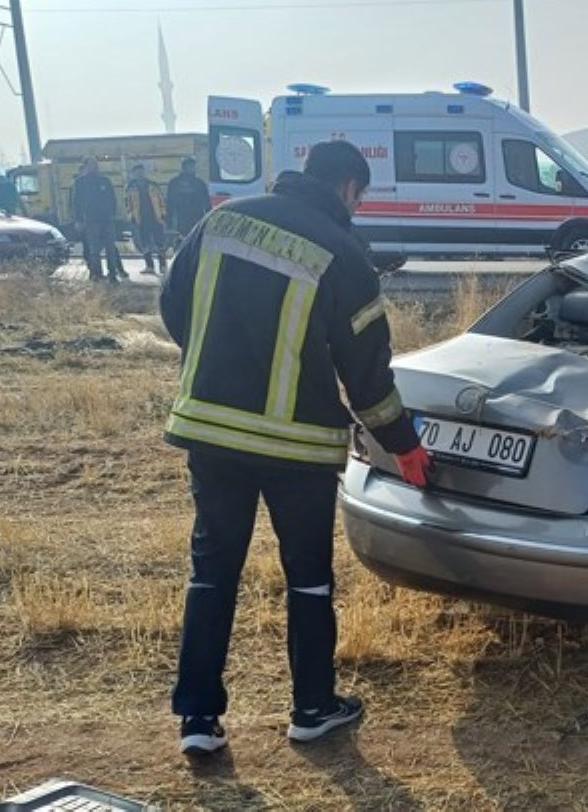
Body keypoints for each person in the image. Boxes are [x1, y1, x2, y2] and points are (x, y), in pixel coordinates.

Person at [160, 140, 431, 756]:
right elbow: (368, 376)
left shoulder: (221, 219)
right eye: (360, 199)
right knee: (308, 579)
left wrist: (216, 366)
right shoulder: (345, 255)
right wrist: (404, 446)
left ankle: (197, 722)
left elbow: (175, 304)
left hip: (212, 430)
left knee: (212, 574)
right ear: (348, 189)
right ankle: (312, 708)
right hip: (297, 447)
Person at [72, 158, 124, 283]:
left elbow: (112, 199)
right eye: (91, 165)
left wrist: (112, 215)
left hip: (107, 220)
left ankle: (113, 274)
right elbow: (76, 203)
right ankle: (96, 274)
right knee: (94, 250)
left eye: (96, 165)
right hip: (91, 221)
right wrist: (78, 220)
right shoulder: (80, 183)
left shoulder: (105, 181)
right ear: (86, 167)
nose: (94, 167)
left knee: (110, 249)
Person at [124, 163, 169, 274]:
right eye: (137, 172)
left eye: (141, 171)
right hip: (141, 219)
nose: (139, 174)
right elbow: (128, 204)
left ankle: (162, 265)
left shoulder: (153, 185)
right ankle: (149, 266)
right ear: (133, 174)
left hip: (155, 217)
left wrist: (163, 213)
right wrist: (131, 217)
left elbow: (161, 200)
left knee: (160, 242)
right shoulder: (130, 187)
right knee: (144, 243)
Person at [165, 156, 212, 241]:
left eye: (193, 166)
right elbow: (169, 203)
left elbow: (206, 202)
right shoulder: (174, 183)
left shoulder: (199, 183)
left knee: (196, 239)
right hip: (180, 218)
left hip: (197, 216)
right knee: (180, 240)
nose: (193, 168)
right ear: (184, 167)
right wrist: (169, 222)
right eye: (190, 166)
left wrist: (209, 217)